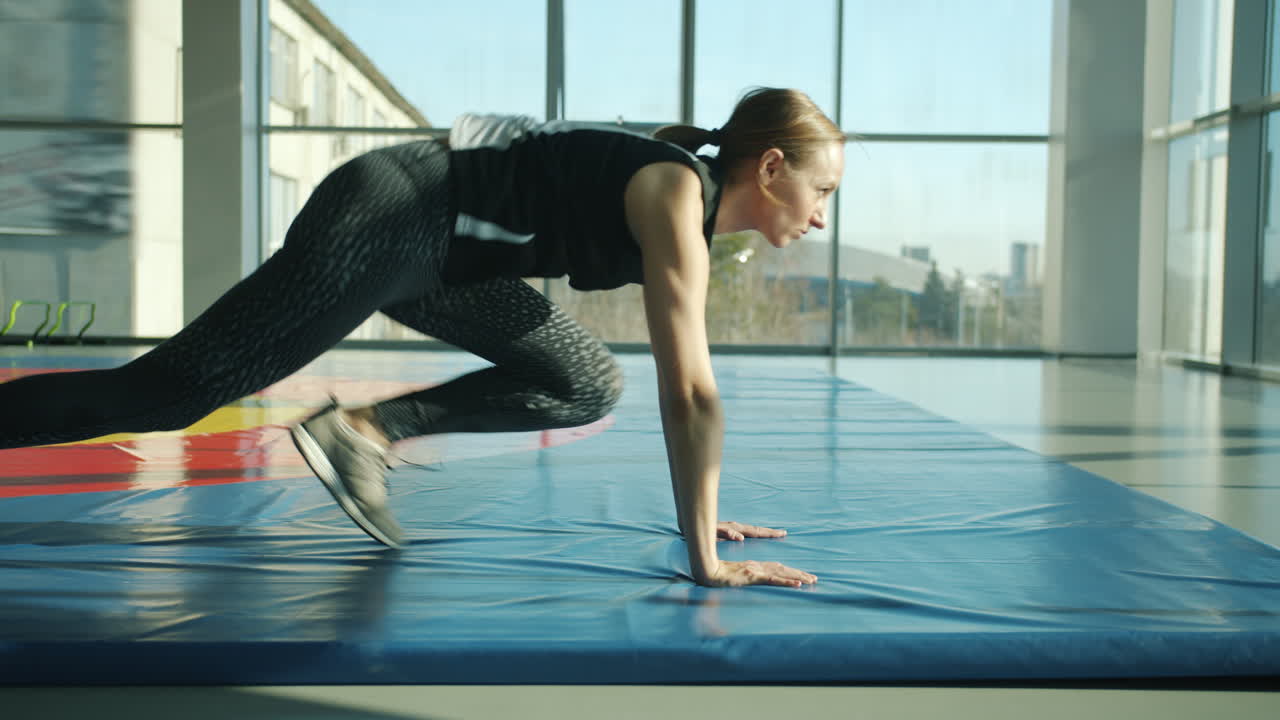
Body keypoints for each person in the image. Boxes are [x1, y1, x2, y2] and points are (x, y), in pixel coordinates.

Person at [0, 87, 844, 589]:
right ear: (771, 166)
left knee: (585, 380)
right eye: (822, 188)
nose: (821, 213)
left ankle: (362, 432)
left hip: (447, 262)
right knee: (170, 393)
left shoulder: (683, 193)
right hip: (395, 217)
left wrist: (703, 517)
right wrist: (706, 557)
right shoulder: (672, 191)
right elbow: (691, 390)